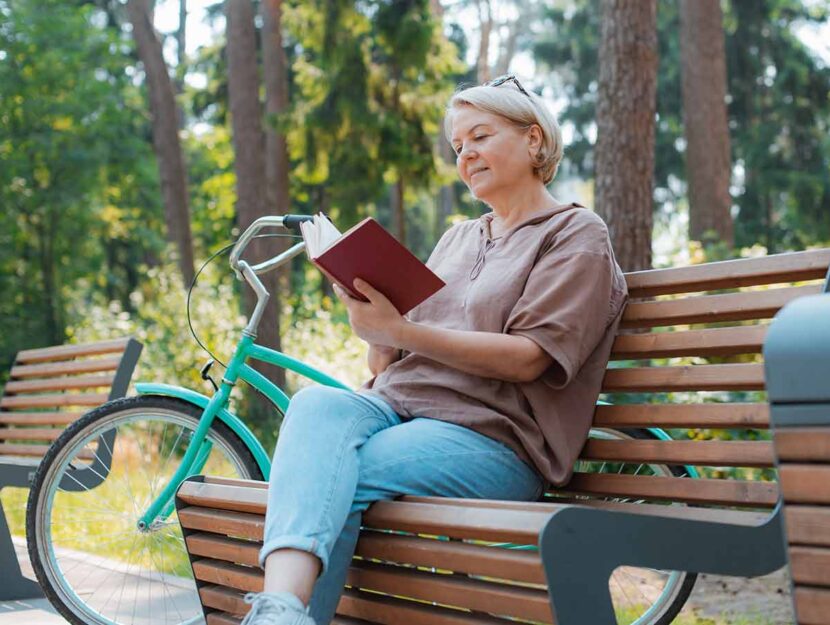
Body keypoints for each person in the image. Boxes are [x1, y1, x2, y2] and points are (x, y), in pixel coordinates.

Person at [239, 75, 628, 625]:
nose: (466, 154)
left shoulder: (574, 233)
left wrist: (402, 332)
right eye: (457, 146)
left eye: (480, 136)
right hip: (398, 410)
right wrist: (370, 316)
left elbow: (529, 357)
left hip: (494, 438)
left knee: (337, 472)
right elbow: (388, 364)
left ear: (534, 140)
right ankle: (280, 612)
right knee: (314, 406)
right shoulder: (458, 238)